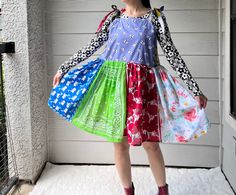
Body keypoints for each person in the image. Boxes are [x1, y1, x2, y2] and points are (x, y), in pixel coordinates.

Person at [48, 0, 211, 194]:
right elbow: (92, 47)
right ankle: (128, 191)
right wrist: (64, 67)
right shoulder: (114, 18)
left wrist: (194, 89)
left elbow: (172, 54)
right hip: (113, 87)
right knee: (119, 143)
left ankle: (163, 190)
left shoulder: (155, 18)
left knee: (150, 144)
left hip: (143, 90)